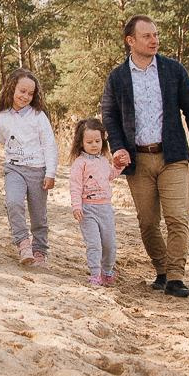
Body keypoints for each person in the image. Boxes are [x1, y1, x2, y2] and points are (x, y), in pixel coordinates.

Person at [100, 14, 189, 297]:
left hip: (172, 156)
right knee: (147, 222)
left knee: (177, 218)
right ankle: (161, 269)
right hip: (138, 159)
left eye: (156, 35)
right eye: (147, 36)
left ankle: (175, 277)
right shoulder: (118, 77)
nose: (154, 40)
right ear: (130, 41)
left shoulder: (173, 70)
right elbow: (109, 116)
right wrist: (119, 147)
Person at [0, 70, 58, 265]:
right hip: (14, 169)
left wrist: (51, 172)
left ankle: (39, 250)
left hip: (38, 170)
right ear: (12, 88)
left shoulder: (38, 116)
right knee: (13, 203)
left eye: (30, 94)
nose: (25, 97)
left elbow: (49, 144)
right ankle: (23, 243)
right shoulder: (2, 117)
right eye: (22, 91)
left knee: (38, 215)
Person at [69, 117, 119, 287]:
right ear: (81, 142)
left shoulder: (104, 161)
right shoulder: (79, 163)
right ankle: (95, 274)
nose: (94, 145)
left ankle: (107, 272)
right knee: (94, 244)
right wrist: (76, 206)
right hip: (87, 210)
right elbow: (75, 186)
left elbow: (109, 176)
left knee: (109, 244)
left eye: (97, 141)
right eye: (89, 142)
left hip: (105, 208)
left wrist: (119, 167)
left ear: (102, 140)